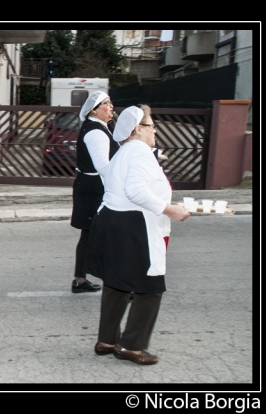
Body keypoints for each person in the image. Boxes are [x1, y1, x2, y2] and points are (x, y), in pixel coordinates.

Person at [87, 105, 190, 365]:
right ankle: (132, 347)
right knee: (150, 287)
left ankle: (107, 340)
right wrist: (170, 210)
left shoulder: (123, 152)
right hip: (133, 226)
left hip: (111, 221)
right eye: (152, 126)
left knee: (116, 283)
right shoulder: (141, 153)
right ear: (138, 129)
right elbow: (135, 190)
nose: (155, 131)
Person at [69, 91, 118, 293]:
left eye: (110, 102)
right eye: (106, 103)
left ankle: (80, 280)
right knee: (107, 235)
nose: (111, 106)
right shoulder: (96, 132)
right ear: (94, 110)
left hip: (89, 186)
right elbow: (103, 167)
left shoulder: (99, 128)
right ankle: (120, 284)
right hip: (94, 188)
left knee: (90, 235)